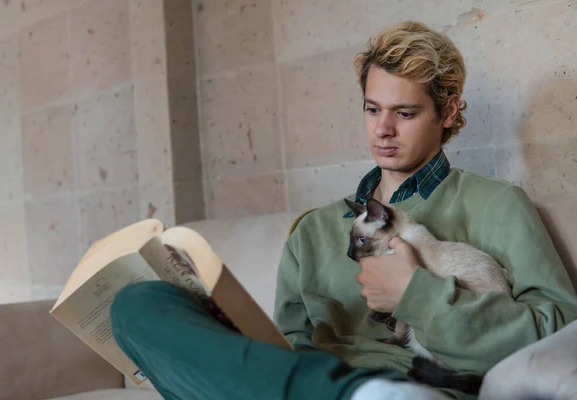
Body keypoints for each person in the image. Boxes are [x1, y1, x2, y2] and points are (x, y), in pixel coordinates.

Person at [109, 21, 577, 400]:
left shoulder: (497, 205)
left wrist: (419, 295)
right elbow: (289, 346)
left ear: (448, 111)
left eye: (405, 113)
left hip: (416, 382)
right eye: (372, 110)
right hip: (303, 383)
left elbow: (557, 330)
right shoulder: (311, 232)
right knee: (136, 303)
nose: (384, 129)